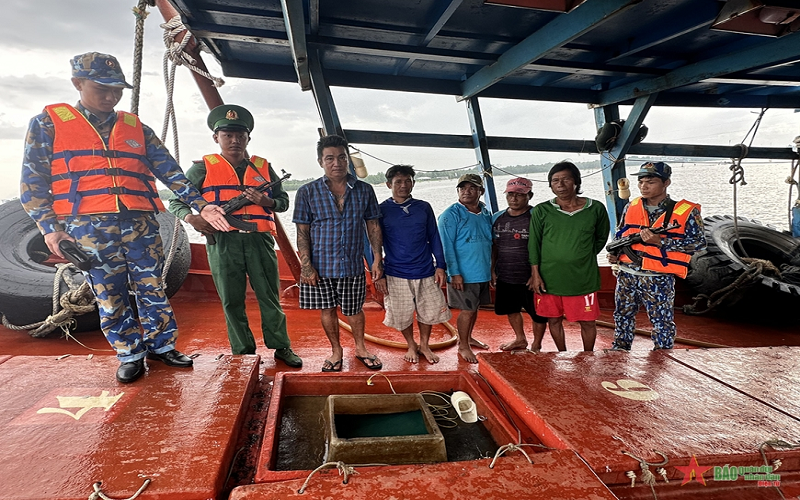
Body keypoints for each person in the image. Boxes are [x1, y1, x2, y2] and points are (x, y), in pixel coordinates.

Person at [20, 52, 229, 383]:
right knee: (109, 292)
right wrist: (50, 230)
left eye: (117, 89)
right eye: (101, 88)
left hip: (141, 225)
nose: (110, 96)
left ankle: (162, 346)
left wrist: (200, 204)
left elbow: (170, 171)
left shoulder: (136, 128)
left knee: (152, 287)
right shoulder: (47, 124)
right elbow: (32, 185)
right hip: (87, 228)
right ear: (78, 83)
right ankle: (130, 352)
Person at [168, 104, 302, 367]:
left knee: (269, 296)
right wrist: (194, 218)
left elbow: (283, 202)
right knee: (231, 300)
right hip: (223, 242)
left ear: (248, 138)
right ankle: (243, 352)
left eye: (240, 135)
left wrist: (266, 201)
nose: (234, 140)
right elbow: (176, 201)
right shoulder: (201, 168)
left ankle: (281, 346)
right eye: (228, 134)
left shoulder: (264, 167)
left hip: (259, 241)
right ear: (216, 137)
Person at [293, 134, 384, 372]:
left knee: (355, 309)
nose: (337, 163)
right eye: (330, 158)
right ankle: (336, 351)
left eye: (342, 157)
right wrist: (306, 266)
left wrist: (377, 259)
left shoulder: (364, 190)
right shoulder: (306, 192)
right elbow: (302, 232)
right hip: (320, 265)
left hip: (352, 263)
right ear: (320, 161)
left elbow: (373, 226)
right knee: (327, 309)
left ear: (348, 160)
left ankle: (361, 348)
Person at [608, 161, 706, 350]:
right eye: (641, 181)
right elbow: (622, 235)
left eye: (650, 182)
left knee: (662, 321)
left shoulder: (685, 212)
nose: (644, 186)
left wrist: (661, 242)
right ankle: (620, 350)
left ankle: (663, 355)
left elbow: (699, 243)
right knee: (622, 315)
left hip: (658, 277)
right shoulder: (631, 207)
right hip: (627, 274)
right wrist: (615, 256)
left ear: (666, 183)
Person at [529, 161, 609, 351]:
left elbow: (601, 238)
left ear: (576, 182)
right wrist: (535, 274)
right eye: (555, 180)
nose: (560, 184)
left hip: (583, 278)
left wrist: (581, 256)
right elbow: (534, 244)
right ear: (550, 185)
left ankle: (588, 355)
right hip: (549, 278)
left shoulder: (595, 208)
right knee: (554, 319)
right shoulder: (542, 210)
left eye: (566, 179)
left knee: (588, 321)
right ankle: (562, 353)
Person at [377, 165, 451, 364]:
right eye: (398, 182)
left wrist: (440, 265)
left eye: (408, 181)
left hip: (425, 269)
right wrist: (379, 274)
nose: (403, 185)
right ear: (388, 185)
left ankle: (424, 344)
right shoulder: (381, 210)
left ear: (413, 183)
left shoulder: (423, 207)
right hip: (395, 271)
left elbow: (434, 236)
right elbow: (373, 244)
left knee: (428, 311)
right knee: (401, 314)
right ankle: (411, 344)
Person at [438, 173, 493, 363]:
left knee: (475, 308)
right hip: (463, 274)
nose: (466, 192)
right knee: (467, 310)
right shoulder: (450, 215)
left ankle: (468, 338)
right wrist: (454, 273)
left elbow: (490, 242)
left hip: (482, 272)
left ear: (481, 191)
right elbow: (446, 246)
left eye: (471, 188)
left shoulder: (485, 213)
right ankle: (463, 346)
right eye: (462, 188)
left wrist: (492, 270)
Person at [491, 178, 548, 351]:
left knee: (538, 314)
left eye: (519, 195)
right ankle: (520, 339)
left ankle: (536, 345)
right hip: (506, 274)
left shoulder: (536, 217)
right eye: (510, 194)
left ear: (529, 195)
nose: (514, 199)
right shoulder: (497, 218)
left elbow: (545, 247)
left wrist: (536, 274)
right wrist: (492, 269)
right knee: (511, 308)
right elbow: (494, 246)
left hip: (531, 277)